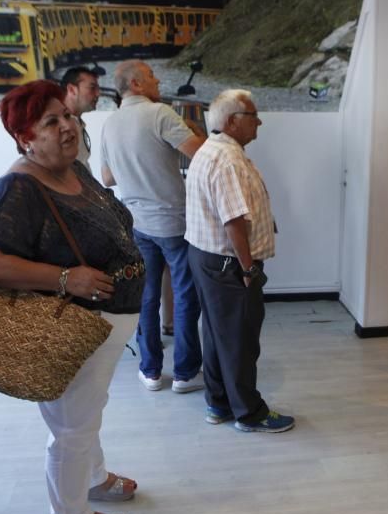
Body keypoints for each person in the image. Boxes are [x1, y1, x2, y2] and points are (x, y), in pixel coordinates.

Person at [0, 80, 144, 514]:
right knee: (73, 425)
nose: (67, 126)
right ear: (24, 137)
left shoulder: (72, 170)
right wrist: (67, 278)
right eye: (51, 122)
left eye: (66, 116)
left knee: (87, 412)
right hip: (73, 325)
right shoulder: (19, 186)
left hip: (106, 324)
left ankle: (94, 478)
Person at [185, 89, 295, 433]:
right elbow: (233, 220)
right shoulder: (229, 159)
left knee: (219, 335)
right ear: (232, 121)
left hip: (206, 257)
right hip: (228, 264)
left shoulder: (213, 149)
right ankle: (249, 412)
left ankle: (219, 404)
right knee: (240, 340)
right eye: (253, 116)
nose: (259, 121)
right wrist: (248, 268)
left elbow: (233, 207)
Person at [100, 60, 205, 393]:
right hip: (173, 221)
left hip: (137, 225)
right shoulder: (161, 114)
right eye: (152, 76)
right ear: (136, 83)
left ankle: (150, 371)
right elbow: (199, 155)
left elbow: (108, 178)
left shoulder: (110, 124)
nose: (158, 80)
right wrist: (193, 131)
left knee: (147, 298)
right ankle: (186, 373)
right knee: (186, 295)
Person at [60, 66, 101, 171]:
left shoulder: (77, 122)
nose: (98, 94)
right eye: (92, 88)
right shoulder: (59, 128)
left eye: (98, 89)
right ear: (72, 90)